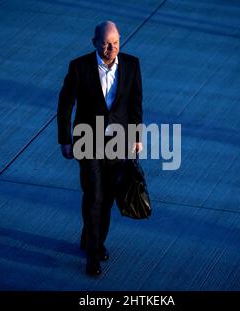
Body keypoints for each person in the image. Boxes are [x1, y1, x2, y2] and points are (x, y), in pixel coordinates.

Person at [57, 21, 143, 276]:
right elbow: (65, 105)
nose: (110, 48)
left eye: (115, 43)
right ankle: (93, 255)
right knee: (94, 196)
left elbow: (136, 102)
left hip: (117, 142)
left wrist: (136, 136)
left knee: (106, 199)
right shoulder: (79, 67)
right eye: (105, 43)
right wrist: (65, 139)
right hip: (87, 140)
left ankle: (91, 238)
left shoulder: (131, 64)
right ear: (94, 42)